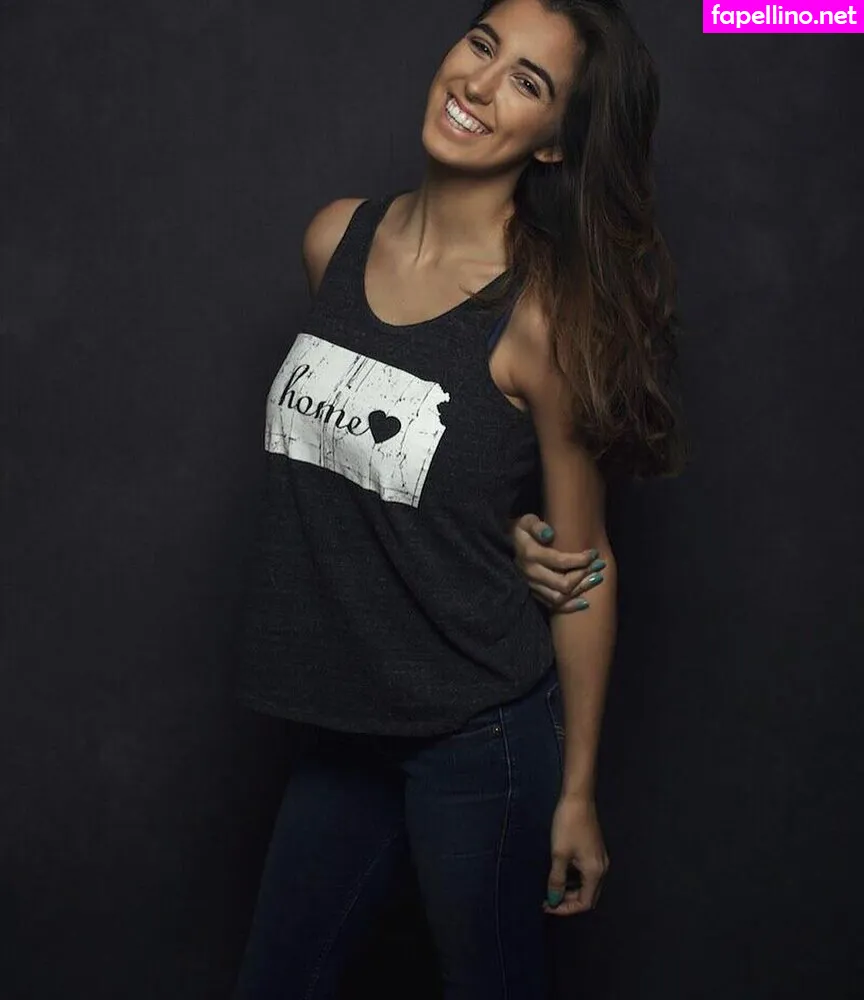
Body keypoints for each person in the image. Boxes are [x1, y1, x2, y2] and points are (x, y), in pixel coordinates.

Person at [232, 0, 684, 996]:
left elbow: (584, 565)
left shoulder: (543, 318)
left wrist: (577, 791)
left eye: (527, 81)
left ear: (555, 142)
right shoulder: (336, 240)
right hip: (343, 726)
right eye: (483, 44)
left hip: (476, 741)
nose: (479, 83)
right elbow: (381, 467)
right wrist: (497, 528)